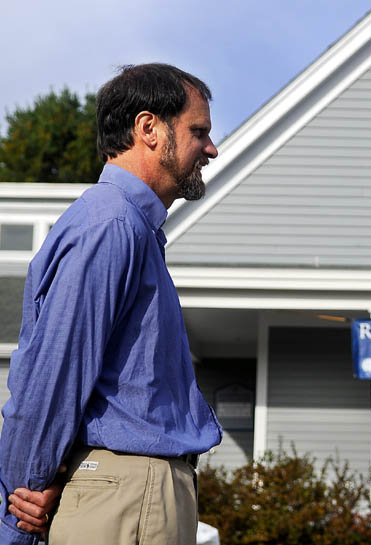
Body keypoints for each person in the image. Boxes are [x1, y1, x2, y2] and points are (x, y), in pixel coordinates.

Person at [0, 63, 223, 545]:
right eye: (198, 131)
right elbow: (53, 378)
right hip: (128, 497)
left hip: (132, 497)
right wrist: (21, 505)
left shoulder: (129, 229)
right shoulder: (111, 226)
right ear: (148, 128)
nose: (211, 148)